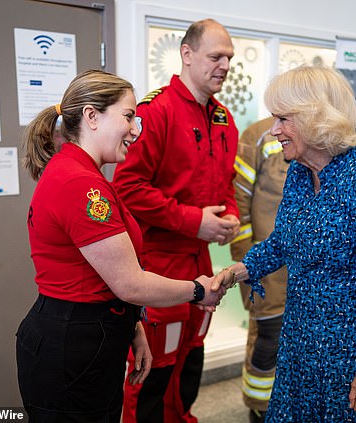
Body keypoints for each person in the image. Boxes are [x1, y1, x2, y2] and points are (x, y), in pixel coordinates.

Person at [15, 69, 225, 423]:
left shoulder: (83, 174)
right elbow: (130, 283)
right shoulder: (81, 184)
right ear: (92, 116)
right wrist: (197, 291)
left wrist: (134, 328)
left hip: (89, 336)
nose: (135, 130)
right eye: (128, 116)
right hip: (72, 346)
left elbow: (107, 277)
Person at [214, 66, 356, 421]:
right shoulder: (300, 174)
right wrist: (237, 271)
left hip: (352, 353)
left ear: (316, 118)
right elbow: (283, 242)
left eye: (283, 119)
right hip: (301, 346)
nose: (274, 130)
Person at [112, 19, 240, 423]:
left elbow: (228, 182)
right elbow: (128, 186)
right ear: (186, 55)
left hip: (200, 263)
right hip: (158, 264)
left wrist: (230, 215)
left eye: (229, 58)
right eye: (215, 56)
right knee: (154, 367)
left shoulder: (223, 119)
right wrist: (192, 222)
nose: (224, 65)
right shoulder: (156, 111)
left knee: (190, 360)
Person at [229, 117, 288, 423]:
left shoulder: (317, 134)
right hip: (266, 265)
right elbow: (238, 202)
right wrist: (246, 262)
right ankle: (259, 407)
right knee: (269, 334)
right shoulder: (260, 135)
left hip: (306, 267)